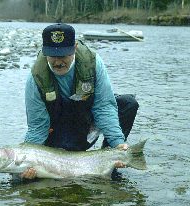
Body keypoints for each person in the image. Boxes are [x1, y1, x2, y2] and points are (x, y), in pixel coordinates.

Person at [22, 23, 139, 179]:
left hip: (86, 122)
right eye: (52, 55)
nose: (57, 62)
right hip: (59, 132)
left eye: (63, 55)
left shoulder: (92, 63)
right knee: (24, 178)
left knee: (128, 103)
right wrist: (28, 159)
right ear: (44, 51)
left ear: (75, 47)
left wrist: (117, 141)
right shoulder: (36, 77)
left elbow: (103, 106)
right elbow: (38, 125)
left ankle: (111, 159)